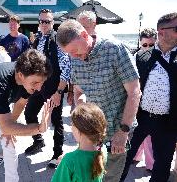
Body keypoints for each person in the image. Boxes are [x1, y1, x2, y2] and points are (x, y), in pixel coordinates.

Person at [56, 19, 141, 182]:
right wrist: (81, 115)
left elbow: (135, 92)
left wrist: (122, 132)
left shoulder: (114, 49)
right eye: (69, 53)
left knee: (109, 178)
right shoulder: (75, 58)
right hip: (90, 136)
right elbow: (79, 91)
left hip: (116, 132)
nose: (74, 56)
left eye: (75, 50)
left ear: (84, 35)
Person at [0, 49, 53, 182]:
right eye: (36, 83)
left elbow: (20, 104)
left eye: (42, 82)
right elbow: (7, 125)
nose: (39, 88)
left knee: (10, 145)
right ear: (20, 75)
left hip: (0, 103)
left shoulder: (30, 81)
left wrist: (9, 128)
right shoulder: (0, 82)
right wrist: (38, 128)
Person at [120, 12, 177, 182]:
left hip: (168, 122)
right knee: (123, 158)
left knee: (162, 166)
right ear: (161, 32)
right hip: (139, 118)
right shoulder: (141, 56)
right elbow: (129, 88)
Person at [24, 9, 71, 168]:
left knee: (56, 121)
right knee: (29, 113)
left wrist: (59, 92)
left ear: (53, 22)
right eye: (42, 21)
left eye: (48, 21)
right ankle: (38, 140)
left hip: (53, 88)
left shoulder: (58, 39)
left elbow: (66, 67)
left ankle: (57, 154)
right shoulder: (37, 39)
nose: (44, 24)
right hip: (38, 87)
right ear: (39, 22)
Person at [52, 103, 107, 182]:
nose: (71, 127)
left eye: (72, 124)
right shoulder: (103, 150)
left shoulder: (69, 161)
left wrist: (65, 162)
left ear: (78, 131)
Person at [132, 28, 157, 171]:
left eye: (151, 45)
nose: (147, 48)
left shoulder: (159, 58)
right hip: (138, 98)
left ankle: (151, 163)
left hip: (152, 100)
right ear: (140, 43)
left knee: (148, 133)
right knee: (138, 129)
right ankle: (136, 156)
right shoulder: (135, 57)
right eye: (145, 45)